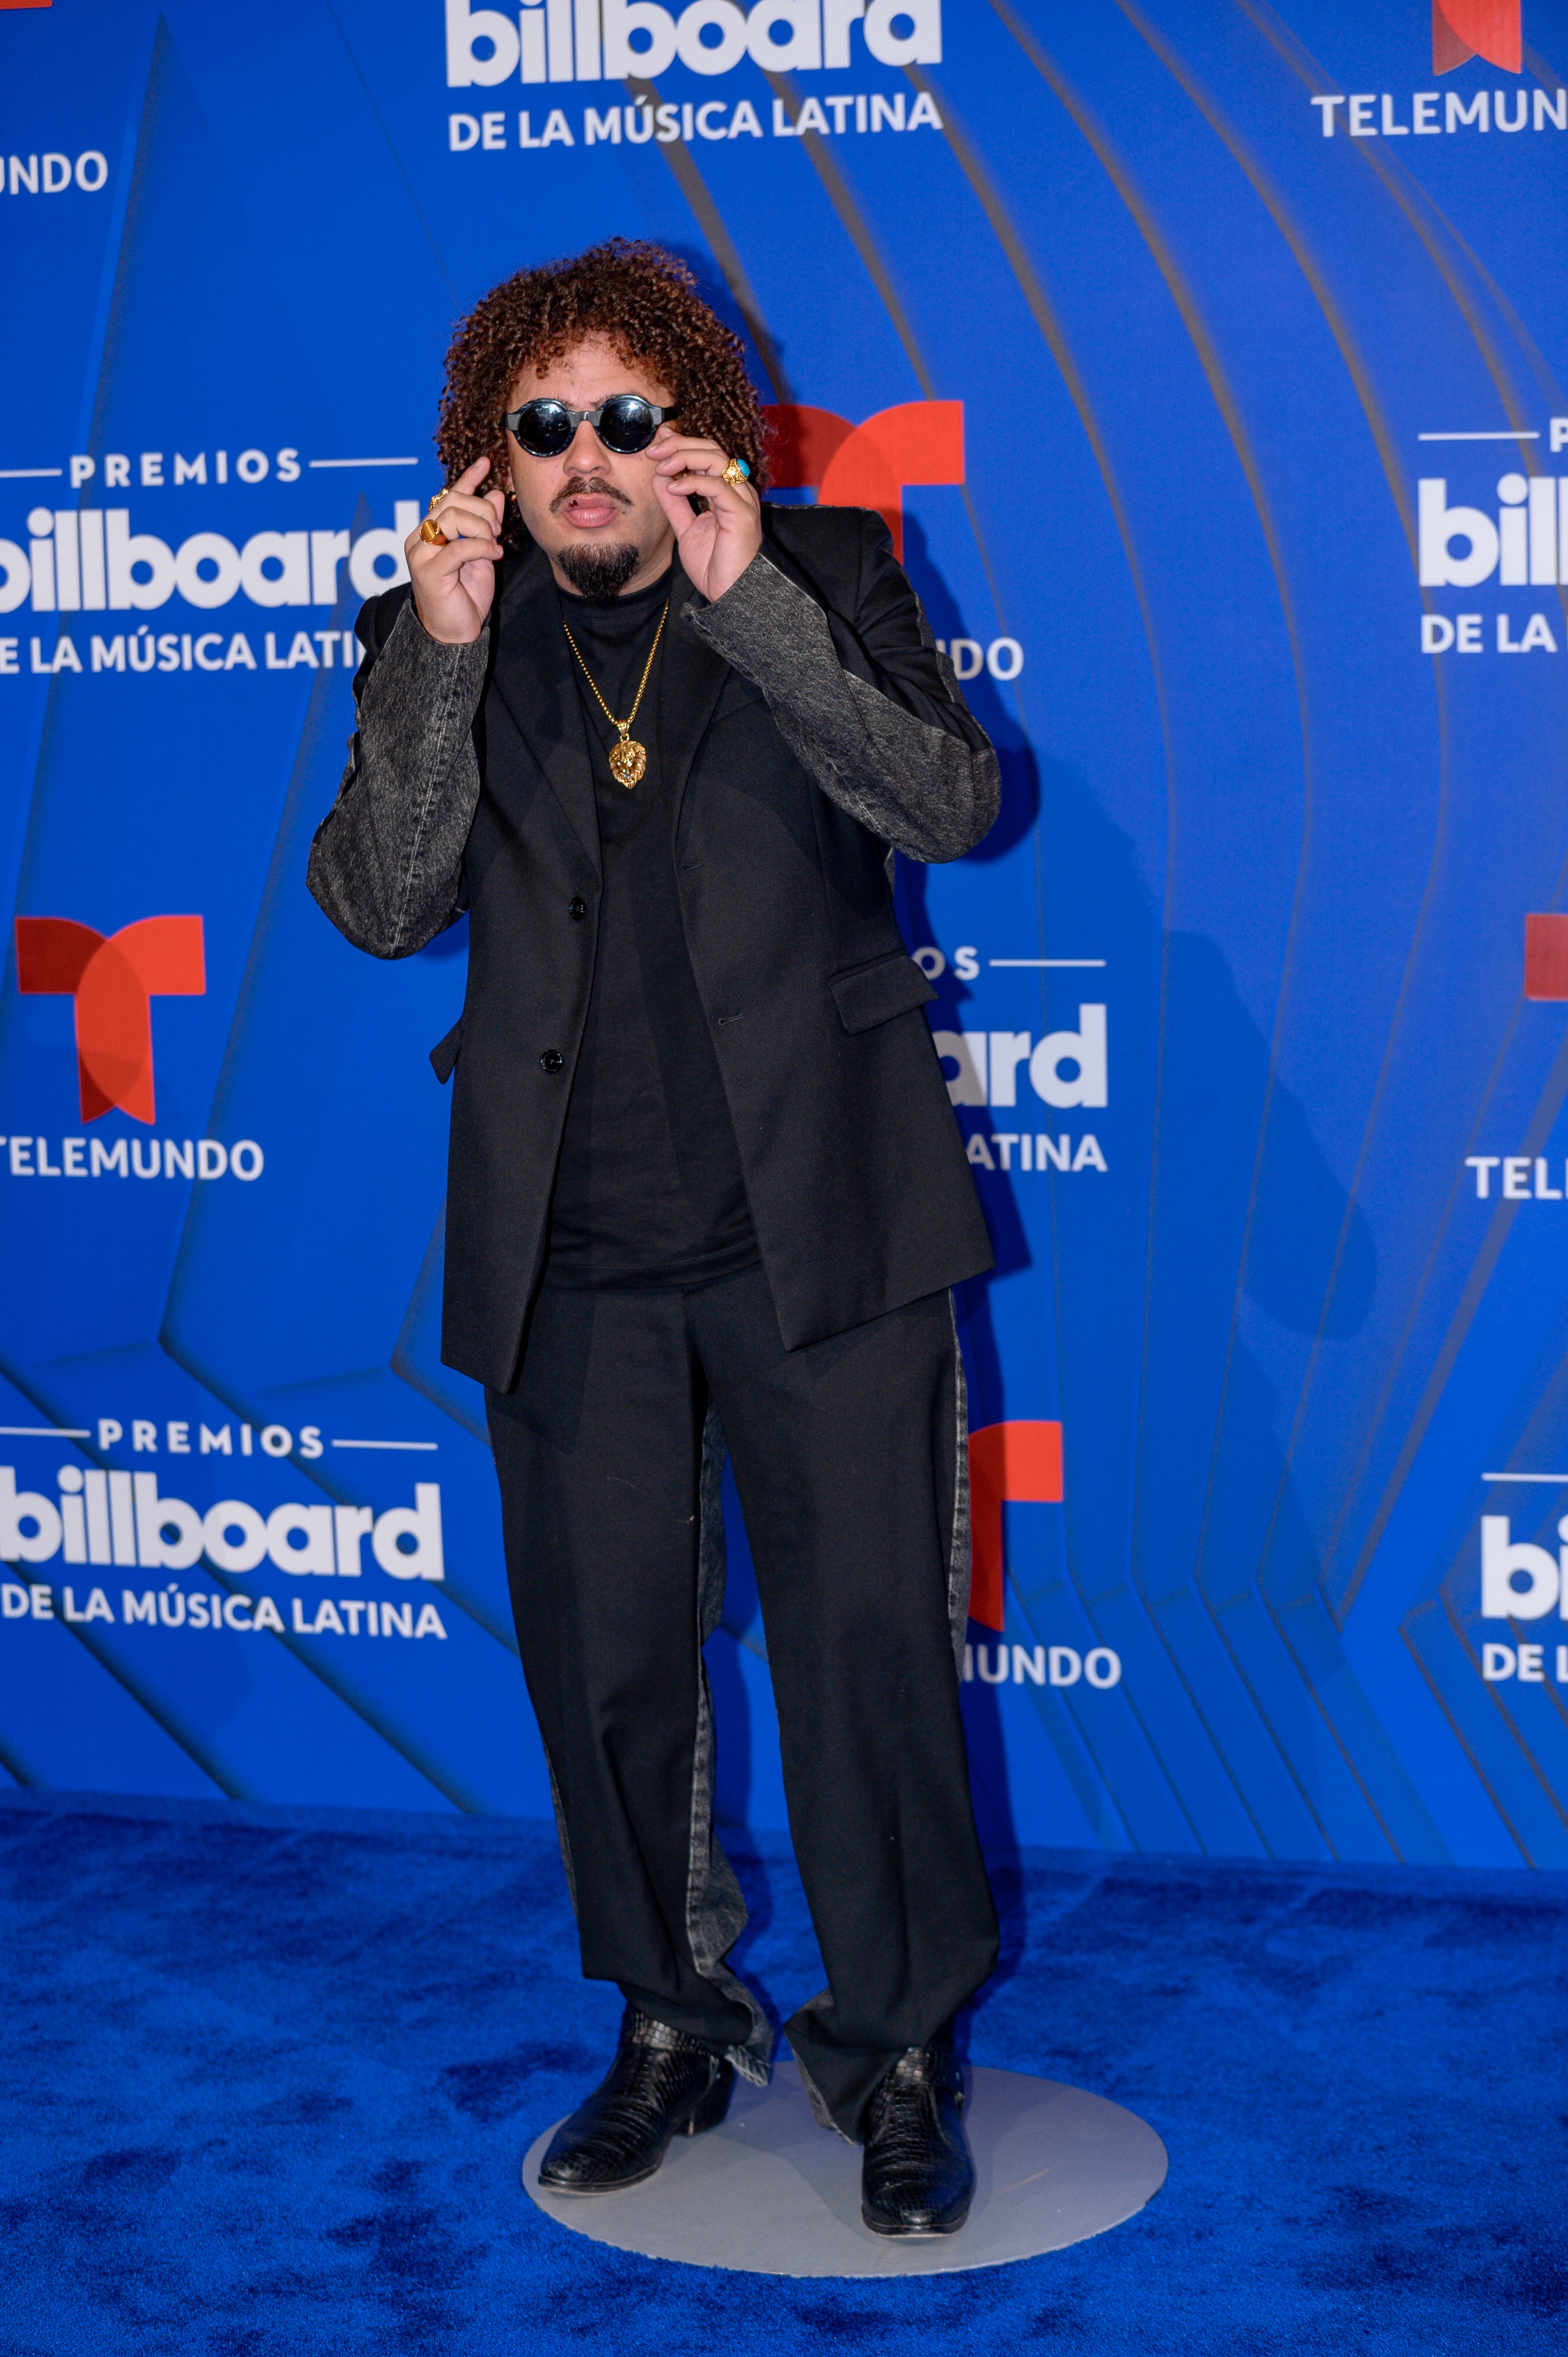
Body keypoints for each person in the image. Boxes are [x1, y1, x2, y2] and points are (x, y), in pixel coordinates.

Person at [308, 240, 1001, 2239]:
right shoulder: (432, 623)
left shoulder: (828, 572)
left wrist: (753, 604)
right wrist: (436, 654)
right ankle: (669, 2022)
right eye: (545, 427)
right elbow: (378, 897)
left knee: (867, 1660)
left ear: (686, 425)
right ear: (489, 461)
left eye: (626, 415)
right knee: (609, 1671)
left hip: (825, 1235)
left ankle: (892, 2053)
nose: (588, 455)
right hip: (568, 1247)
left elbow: (945, 804)